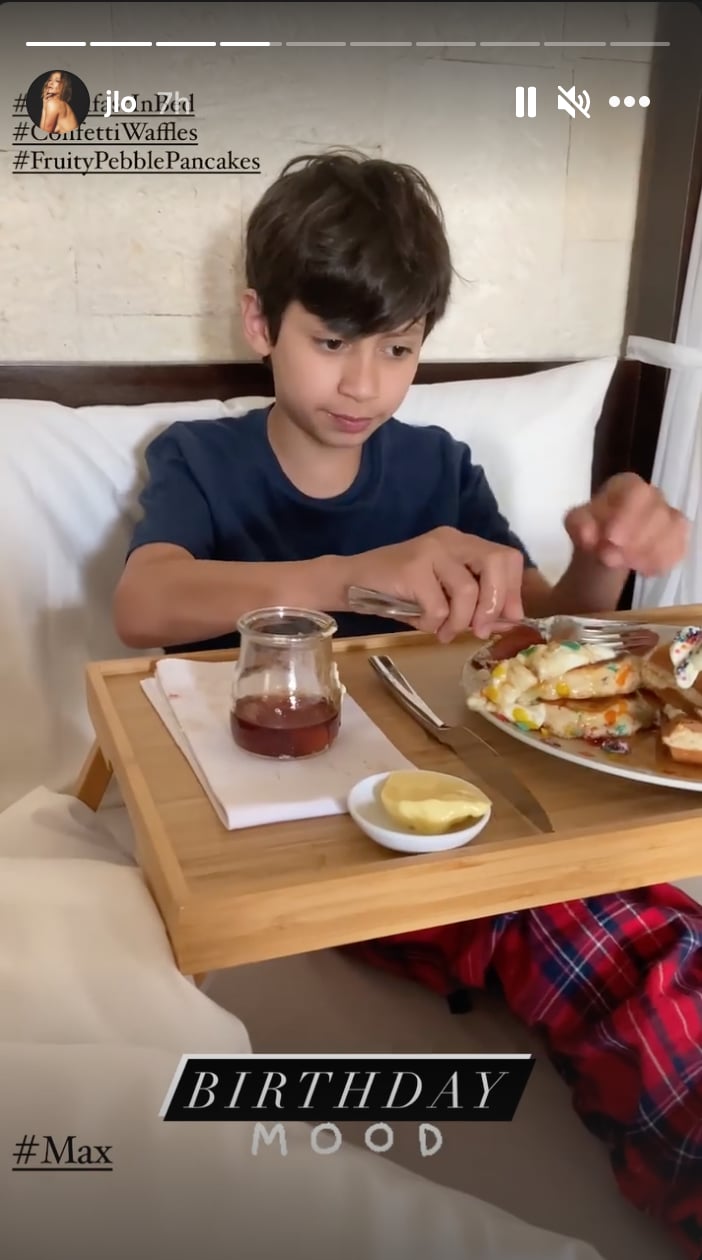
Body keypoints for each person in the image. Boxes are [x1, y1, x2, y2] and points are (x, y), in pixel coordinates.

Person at [114, 151, 701, 1258]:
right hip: (318, 817)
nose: (363, 384)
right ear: (260, 323)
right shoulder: (203, 458)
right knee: (603, 939)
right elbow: (144, 602)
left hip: (463, 791)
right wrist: (348, 576)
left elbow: (540, 628)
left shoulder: (439, 465)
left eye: (398, 349)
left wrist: (605, 561)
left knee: (640, 912)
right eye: (331, 342)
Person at [39, 71, 78, 135]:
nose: (50, 83)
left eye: (57, 81)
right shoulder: (60, 104)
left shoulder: (55, 104)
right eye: (49, 80)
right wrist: (44, 104)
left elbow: (42, 136)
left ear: (64, 85)